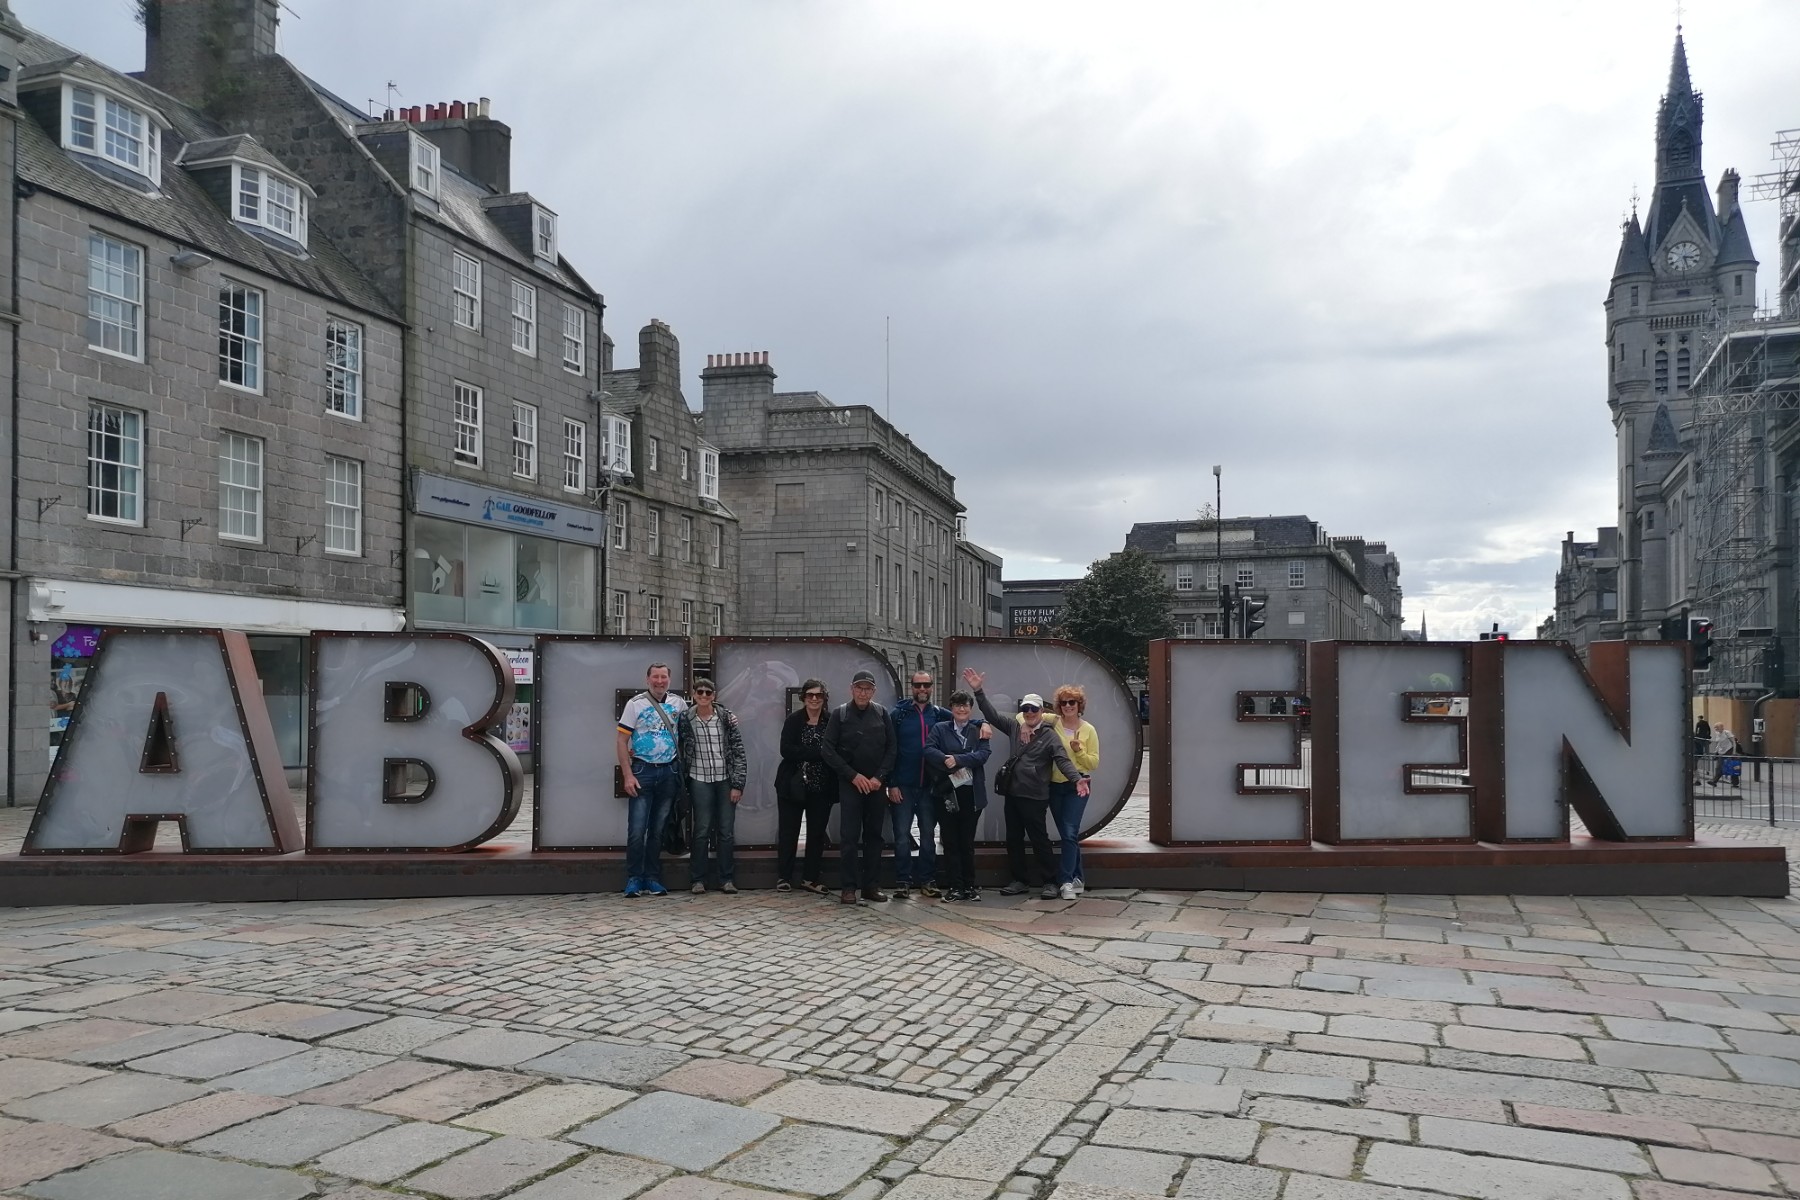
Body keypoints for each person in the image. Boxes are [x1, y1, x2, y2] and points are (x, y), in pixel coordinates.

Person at [963, 667, 1087, 900]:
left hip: (1036, 796)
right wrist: (978, 690)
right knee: (1014, 838)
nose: (1029, 712)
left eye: (1033, 708)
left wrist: (1077, 779)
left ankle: (1049, 881)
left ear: (1041, 711)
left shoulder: (1050, 735)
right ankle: (1019, 879)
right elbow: (991, 715)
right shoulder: (1014, 727)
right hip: (1013, 793)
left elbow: (1062, 759)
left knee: (1039, 839)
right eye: (1025, 709)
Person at [820, 669, 897, 905]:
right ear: (851, 689)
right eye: (859, 688)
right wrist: (853, 776)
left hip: (875, 786)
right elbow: (827, 750)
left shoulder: (882, 713)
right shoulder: (839, 714)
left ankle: (871, 886)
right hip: (851, 786)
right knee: (849, 838)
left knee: (875, 837)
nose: (863, 692)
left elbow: (892, 749)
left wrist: (879, 778)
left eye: (867, 689)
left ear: (874, 691)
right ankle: (848, 887)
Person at [615, 663, 688, 898]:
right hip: (643, 771)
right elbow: (620, 741)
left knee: (657, 830)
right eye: (655, 677)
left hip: (669, 772)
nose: (660, 681)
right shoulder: (636, 704)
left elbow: (694, 725)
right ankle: (634, 878)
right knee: (637, 830)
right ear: (647, 679)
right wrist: (627, 774)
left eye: (664, 677)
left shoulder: (679, 703)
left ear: (669, 679)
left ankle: (653, 878)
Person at [677, 678, 746, 895]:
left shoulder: (725, 718)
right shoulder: (686, 719)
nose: (704, 696)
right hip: (699, 780)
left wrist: (738, 784)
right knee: (701, 831)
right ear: (694, 694)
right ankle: (698, 879)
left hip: (724, 779)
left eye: (708, 692)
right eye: (700, 692)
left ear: (714, 695)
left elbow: (738, 752)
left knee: (726, 831)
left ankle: (726, 879)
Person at [886, 671, 952, 898]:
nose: (922, 689)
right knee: (902, 836)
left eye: (926, 685)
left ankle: (927, 880)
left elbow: (963, 718)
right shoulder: (899, 715)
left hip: (929, 787)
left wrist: (981, 722)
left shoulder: (939, 714)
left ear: (932, 687)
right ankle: (902, 881)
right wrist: (891, 783)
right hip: (903, 785)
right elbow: (890, 750)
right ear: (911, 687)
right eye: (918, 685)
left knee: (927, 835)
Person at [926, 690, 991, 902]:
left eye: (965, 705)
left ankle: (970, 886)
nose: (961, 709)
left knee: (967, 842)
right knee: (951, 841)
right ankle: (955, 886)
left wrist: (958, 759)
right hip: (948, 792)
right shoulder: (940, 728)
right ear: (951, 708)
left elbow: (983, 755)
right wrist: (946, 760)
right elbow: (928, 750)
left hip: (972, 793)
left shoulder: (979, 729)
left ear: (970, 708)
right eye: (957, 706)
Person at [775, 679, 835, 894]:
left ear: (824, 698)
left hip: (821, 786)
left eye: (819, 695)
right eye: (810, 695)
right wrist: (820, 754)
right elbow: (786, 750)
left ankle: (810, 878)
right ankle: (784, 876)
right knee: (788, 832)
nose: (814, 699)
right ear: (803, 697)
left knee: (817, 833)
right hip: (792, 784)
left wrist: (819, 755)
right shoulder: (793, 720)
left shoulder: (831, 721)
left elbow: (837, 750)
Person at [1046, 684, 1101, 900]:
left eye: (1072, 702)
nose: (1068, 706)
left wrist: (1079, 751)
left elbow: (1094, 763)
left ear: (1080, 705)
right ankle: (1079, 878)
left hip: (1078, 785)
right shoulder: (1052, 723)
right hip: (1054, 785)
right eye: (1064, 702)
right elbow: (1023, 717)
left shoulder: (1089, 730)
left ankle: (1066, 881)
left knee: (1069, 832)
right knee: (1068, 835)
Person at [1693, 714, 1712, 785]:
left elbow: (1697, 730)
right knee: (1707, 753)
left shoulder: (1698, 723)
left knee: (1694, 766)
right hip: (1705, 738)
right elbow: (1709, 729)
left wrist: (1697, 735)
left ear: (1699, 718)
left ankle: (1698, 780)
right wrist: (1707, 736)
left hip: (1699, 739)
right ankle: (1707, 770)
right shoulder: (1706, 722)